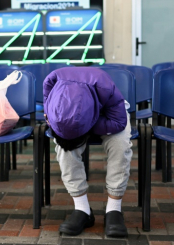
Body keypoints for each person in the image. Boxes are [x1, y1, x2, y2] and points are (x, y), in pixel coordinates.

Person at [43, 67, 133, 237]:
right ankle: (82, 209)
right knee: (64, 148)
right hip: (71, 112)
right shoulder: (52, 80)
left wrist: (86, 126)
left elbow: (119, 123)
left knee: (120, 145)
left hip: (109, 113)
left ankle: (114, 209)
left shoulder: (105, 87)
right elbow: (48, 105)